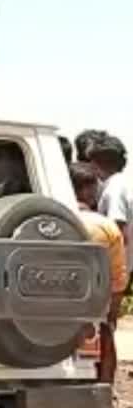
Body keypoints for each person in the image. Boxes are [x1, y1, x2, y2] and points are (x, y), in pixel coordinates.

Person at [71, 162, 125, 390]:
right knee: (104, 336)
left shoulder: (47, 221)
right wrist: (112, 314)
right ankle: (103, 398)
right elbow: (117, 280)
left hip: (45, 305)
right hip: (91, 306)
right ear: (88, 190)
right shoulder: (105, 227)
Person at [90, 133, 132, 291]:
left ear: (95, 164)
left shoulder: (114, 189)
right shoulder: (126, 182)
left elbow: (118, 230)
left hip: (119, 268)